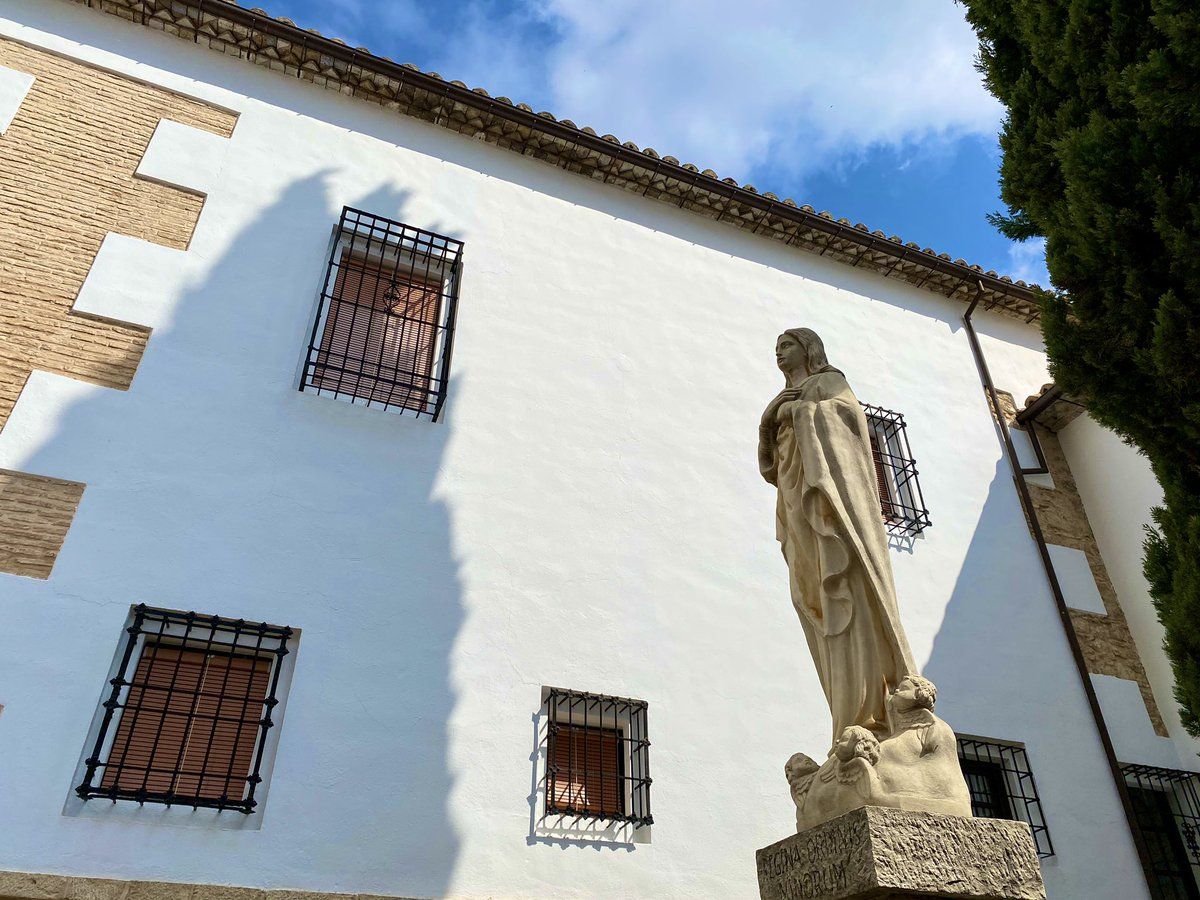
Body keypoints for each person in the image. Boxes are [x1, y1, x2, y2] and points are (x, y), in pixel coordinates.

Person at [759, 328, 917, 743]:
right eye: (776, 348)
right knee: (811, 601)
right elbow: (771, 462)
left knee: (847, 595)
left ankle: (870, 713)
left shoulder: (828, 383)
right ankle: (845, 716)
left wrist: (798, 415)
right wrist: (776, 420)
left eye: (787, 345)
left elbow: (847, 423)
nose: (779, 352)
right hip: (799, 511)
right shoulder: (782, 400)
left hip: (831, 508)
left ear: (808, 349)